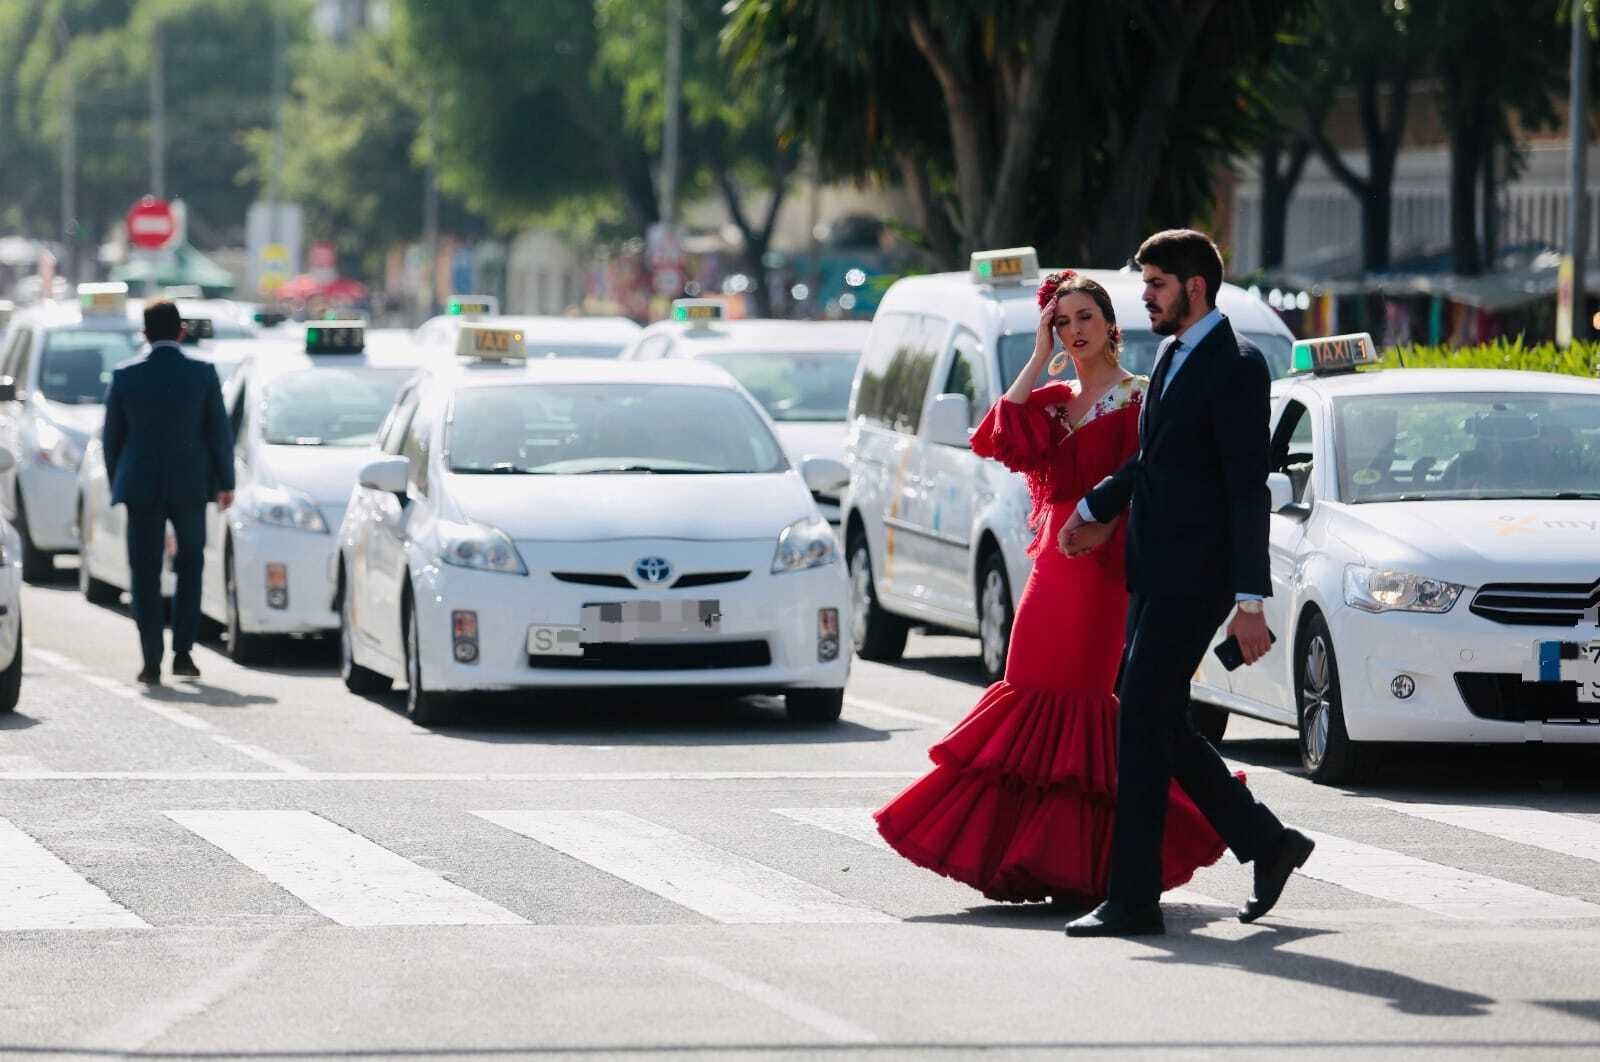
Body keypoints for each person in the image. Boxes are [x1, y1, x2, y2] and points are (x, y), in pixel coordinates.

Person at [874, 272, 1235, 905]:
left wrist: (1106, 524)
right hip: (1051, 568)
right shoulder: (1054, 398)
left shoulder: (1140, 396)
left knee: (1087, 706)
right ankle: (1027, 858)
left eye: (1085, 316)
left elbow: (1156, 483)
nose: (1075, 330)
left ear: (1111, 324)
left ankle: (1087, 867)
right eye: (1061, 322)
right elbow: (995, 435)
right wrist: (1039, 356)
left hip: (1107, 569)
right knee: (1026, 689)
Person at [1060, 230, 1314, 938]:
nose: (1144, 296)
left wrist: (1249, 600)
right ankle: (1267, 842)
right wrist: (1096, 506)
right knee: (1156, 717)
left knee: (1140, 716)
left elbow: (1245, 487)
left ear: (1194, 287)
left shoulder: (1238, 365)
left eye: (1156, 284)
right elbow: (1155, 460)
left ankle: (1133, 897)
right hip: (1153, 568)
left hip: (1197, 577)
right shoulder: (1172, 354)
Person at [102, 300, 235, 685]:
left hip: (140, 486)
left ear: (144, 334)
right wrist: (226, 482)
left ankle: (150, 660)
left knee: (144, 572)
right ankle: (183, 652)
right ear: (181, 332)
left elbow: (112, 440)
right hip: (190, 485)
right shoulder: (202, 373)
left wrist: (118, 483)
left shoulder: (125, 375)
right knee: (191, 564)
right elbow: (219, 434)